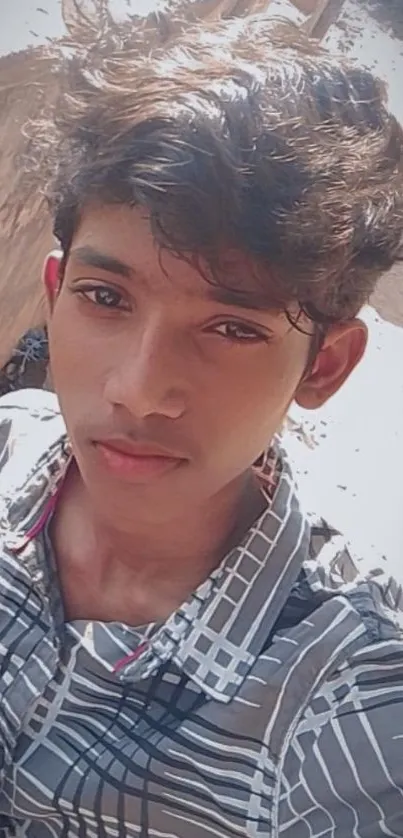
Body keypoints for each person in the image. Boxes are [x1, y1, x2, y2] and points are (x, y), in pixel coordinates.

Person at [0, 4, 403, 836]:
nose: (140, 392)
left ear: (322, 365)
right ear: (54, 293)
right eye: (105, 298)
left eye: (230, 328)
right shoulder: (11, 444)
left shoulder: (348, 705)